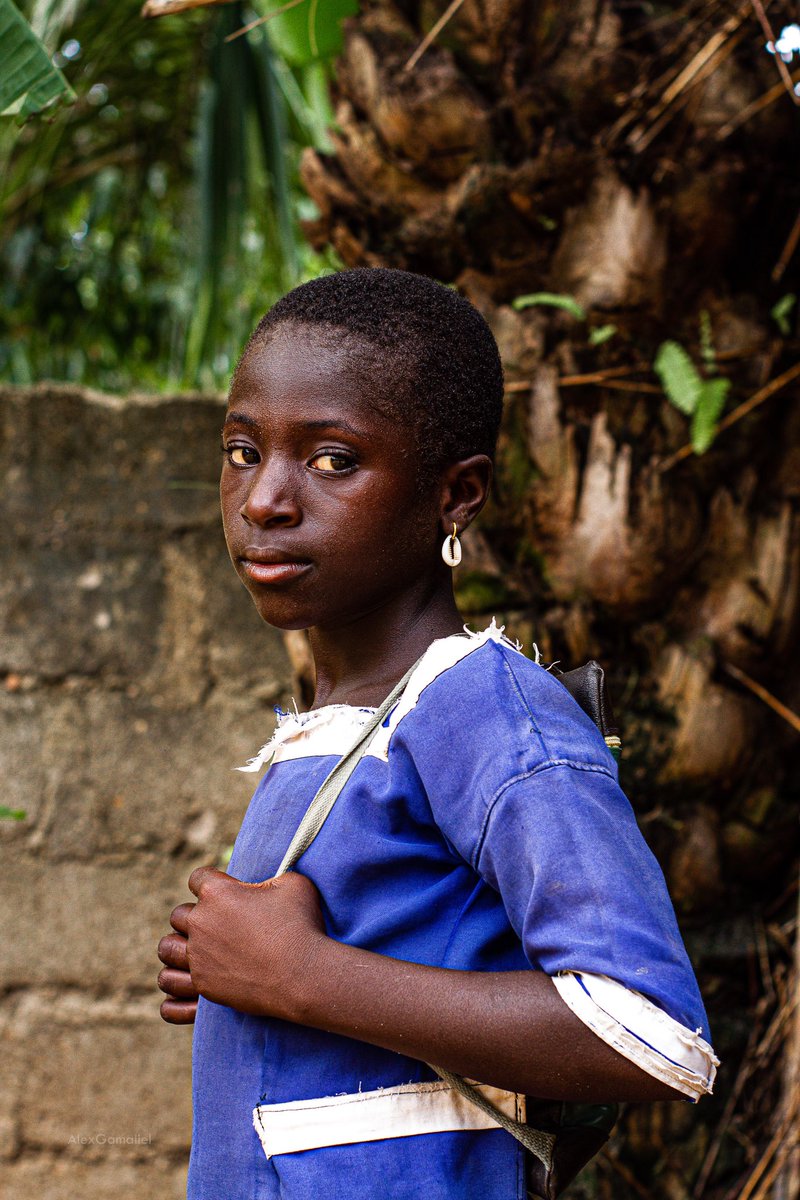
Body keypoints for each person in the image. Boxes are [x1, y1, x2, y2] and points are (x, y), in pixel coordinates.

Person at [157, 268, 718, 1200]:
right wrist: (235, 976)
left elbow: (653, 1034)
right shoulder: (341, 722)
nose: (263, 500)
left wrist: (300, 975)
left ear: (456, 495)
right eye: (242, 449)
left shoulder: (480, 705)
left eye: (333, 460)